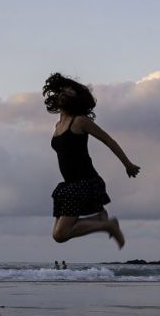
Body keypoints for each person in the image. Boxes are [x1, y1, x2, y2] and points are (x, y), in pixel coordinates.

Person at [43, 73, 140, 249]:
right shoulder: (58, 125)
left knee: (60, 234)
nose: (64, 95)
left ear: (76, 100)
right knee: (57, 234)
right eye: (63, 92)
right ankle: (100, 220)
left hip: (85, 183)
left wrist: (128, 164)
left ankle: (108, 225)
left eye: (69, 93)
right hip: (68, 186)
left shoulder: (80, 121)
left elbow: (108, 141)